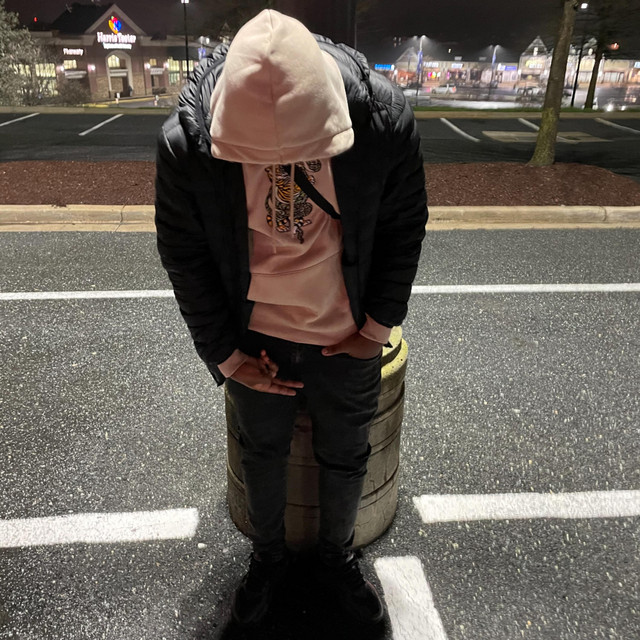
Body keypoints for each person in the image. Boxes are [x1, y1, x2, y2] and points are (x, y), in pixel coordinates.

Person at [155, 9, 427, 627]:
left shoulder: (381, 119)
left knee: (347, 453)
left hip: (347, 329)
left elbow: (403, 224)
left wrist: (375, 329)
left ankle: (337, 558)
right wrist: (228, 358)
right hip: (255, 335)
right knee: (261, 452)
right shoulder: (189, 144)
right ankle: (267, 559)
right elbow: (184, 252)